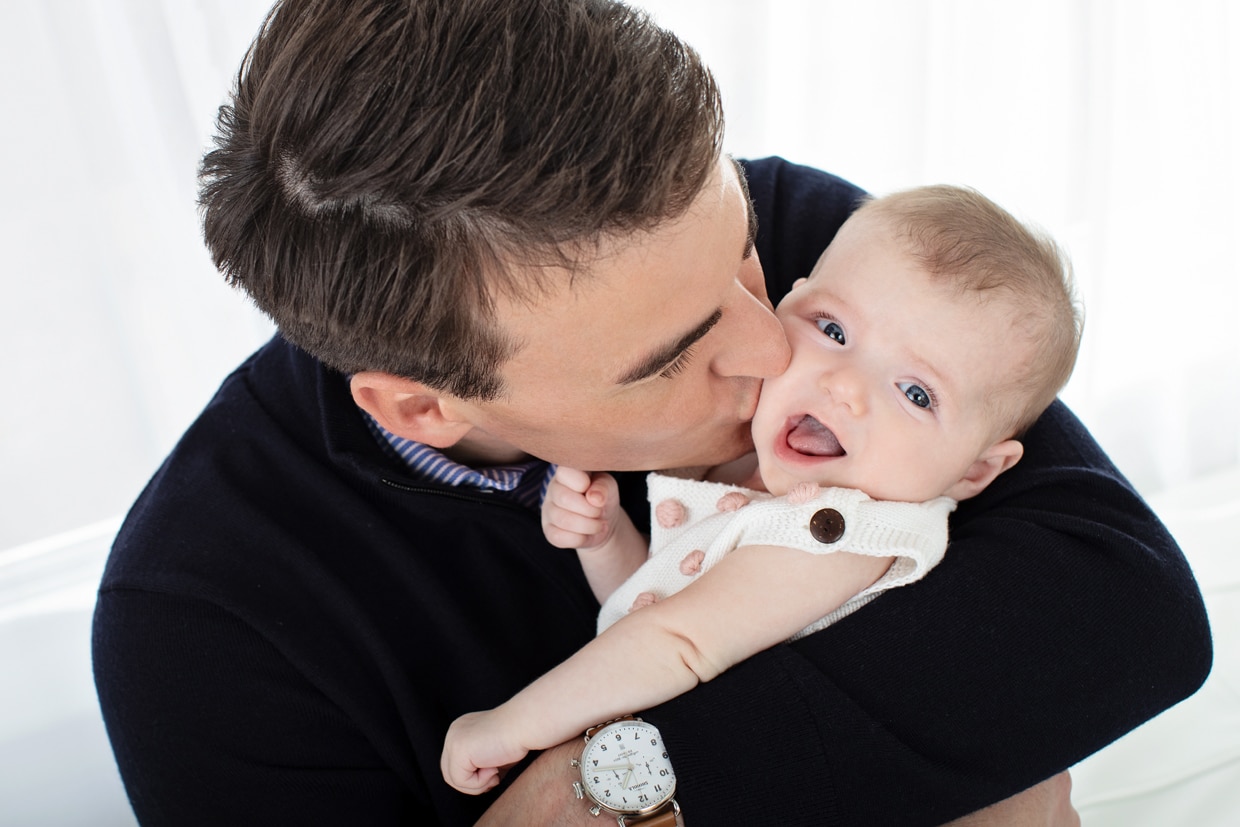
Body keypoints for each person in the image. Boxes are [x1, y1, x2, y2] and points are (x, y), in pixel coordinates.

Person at [90, 1, 1211, 825]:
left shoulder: (809, 258)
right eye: (674, 354)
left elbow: (1126, 612)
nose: (778, 347)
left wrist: (608, 782)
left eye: (745, 262)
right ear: (422, 407)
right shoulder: (199, 623)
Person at [440, 183, 1081, 795]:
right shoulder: (750, 474)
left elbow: (679, 646)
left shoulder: (845, 536)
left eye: (916, 393)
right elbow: (651, 609)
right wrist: (607, 541)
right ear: (788, 301)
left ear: (974, 471)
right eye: (832, 331)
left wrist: (512, 725)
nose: (844, 387)